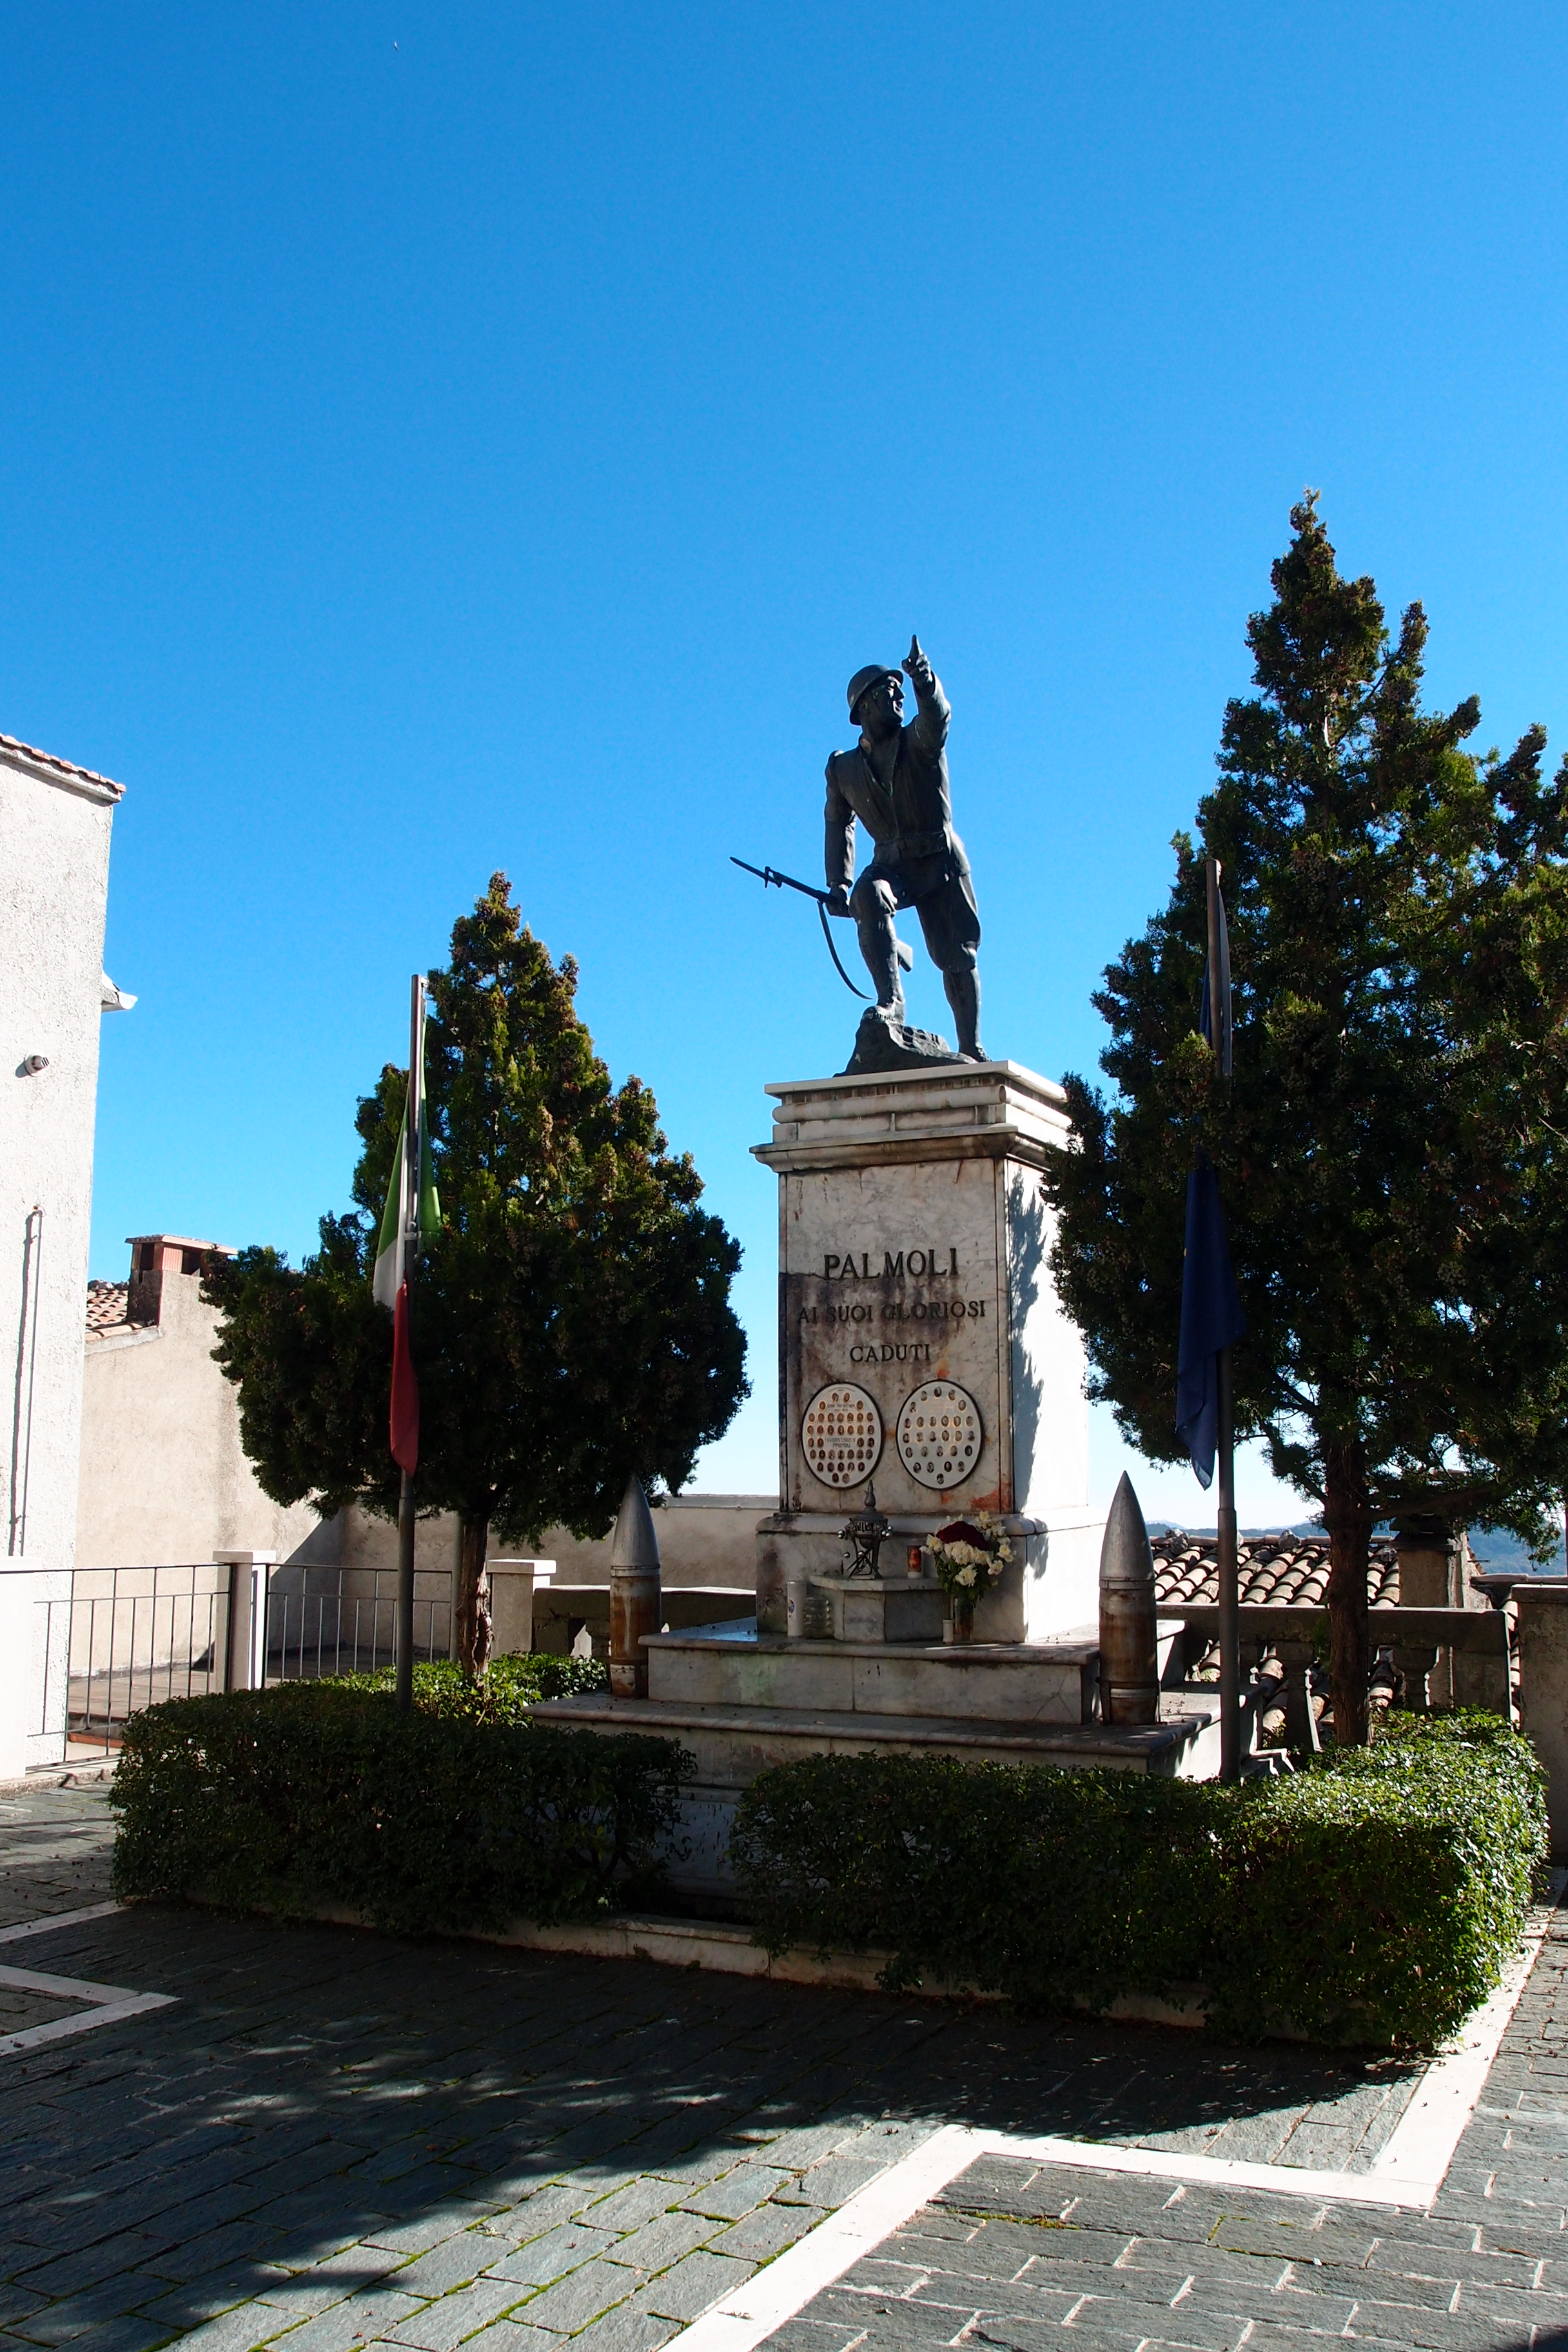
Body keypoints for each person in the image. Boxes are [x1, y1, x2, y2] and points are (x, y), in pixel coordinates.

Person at [824, 636, 984, 1060]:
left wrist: (924, 681)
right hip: (892, 864)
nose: (897, 696)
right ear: (863, 710)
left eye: (899, 690)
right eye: (887, 692)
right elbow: (839, 822)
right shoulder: (843, 768)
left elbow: (938, 715)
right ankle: (891, 1002)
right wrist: (839, 883)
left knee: (956, 958)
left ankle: (970, 1046)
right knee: (868, 894)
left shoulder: (919, 740)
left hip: (940, 860)